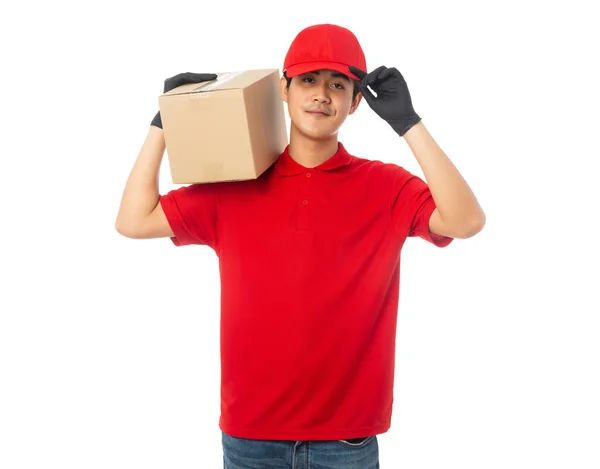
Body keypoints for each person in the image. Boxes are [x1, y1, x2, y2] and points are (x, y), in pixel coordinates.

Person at [115, 23, 485, 469]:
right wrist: (163, 123)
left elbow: (466, 221)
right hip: (251, 435)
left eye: (338, 84)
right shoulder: (235, 187)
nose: (322, 95)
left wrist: (409, 124)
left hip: (345, 439)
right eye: (308, 80)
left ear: (356, 102)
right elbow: (133, 221)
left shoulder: (385, 186)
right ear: (283, 90)